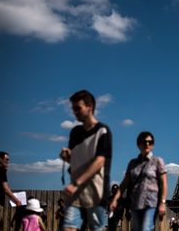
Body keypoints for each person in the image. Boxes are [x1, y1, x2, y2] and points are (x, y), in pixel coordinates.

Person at [59, 90, 113, 231]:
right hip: (76, 193)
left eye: (78, 108)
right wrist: (66, 156)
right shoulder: (75, 132)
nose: (75, 112)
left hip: (96, 192)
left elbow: (99, 161)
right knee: (68, 228)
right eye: (73, 109)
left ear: (90, 107)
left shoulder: (103, 131)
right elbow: (74, 161)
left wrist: (76, 183)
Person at [109, 131, 167, 231]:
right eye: (144, 142)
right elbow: (123, 184)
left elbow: (164, 183)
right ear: (138, 144)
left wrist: (162, 202)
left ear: (153, 144)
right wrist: (115, 200)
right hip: (135, 203)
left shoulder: (158, 161)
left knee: (145, 228)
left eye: (150, 142)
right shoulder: (132, 163)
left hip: (150, 202)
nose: (147, 144)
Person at [0, 151, 22, 231]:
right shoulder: (1, 171)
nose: (8, 161)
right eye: (6, 159)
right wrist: (17, 200)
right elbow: (6, 189)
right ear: (0, 159)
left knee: (0, 226)